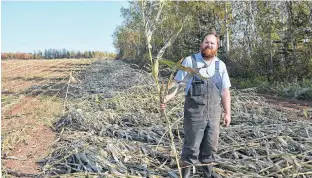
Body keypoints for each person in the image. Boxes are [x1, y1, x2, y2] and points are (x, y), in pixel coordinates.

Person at [160, 31, 231, 178]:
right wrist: (165, 99)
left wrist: (227, 113)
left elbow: (225, 91)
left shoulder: (221, 66)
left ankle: (208, 174)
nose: (209, 45)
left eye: (212, 43)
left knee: (210, 148)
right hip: (194, 115)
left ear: (217, 46)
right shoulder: (189, 61)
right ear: (201, 44)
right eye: (206, 42)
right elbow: (177, 84)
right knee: (191, 149)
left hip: (214, 115)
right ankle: (185, 175)